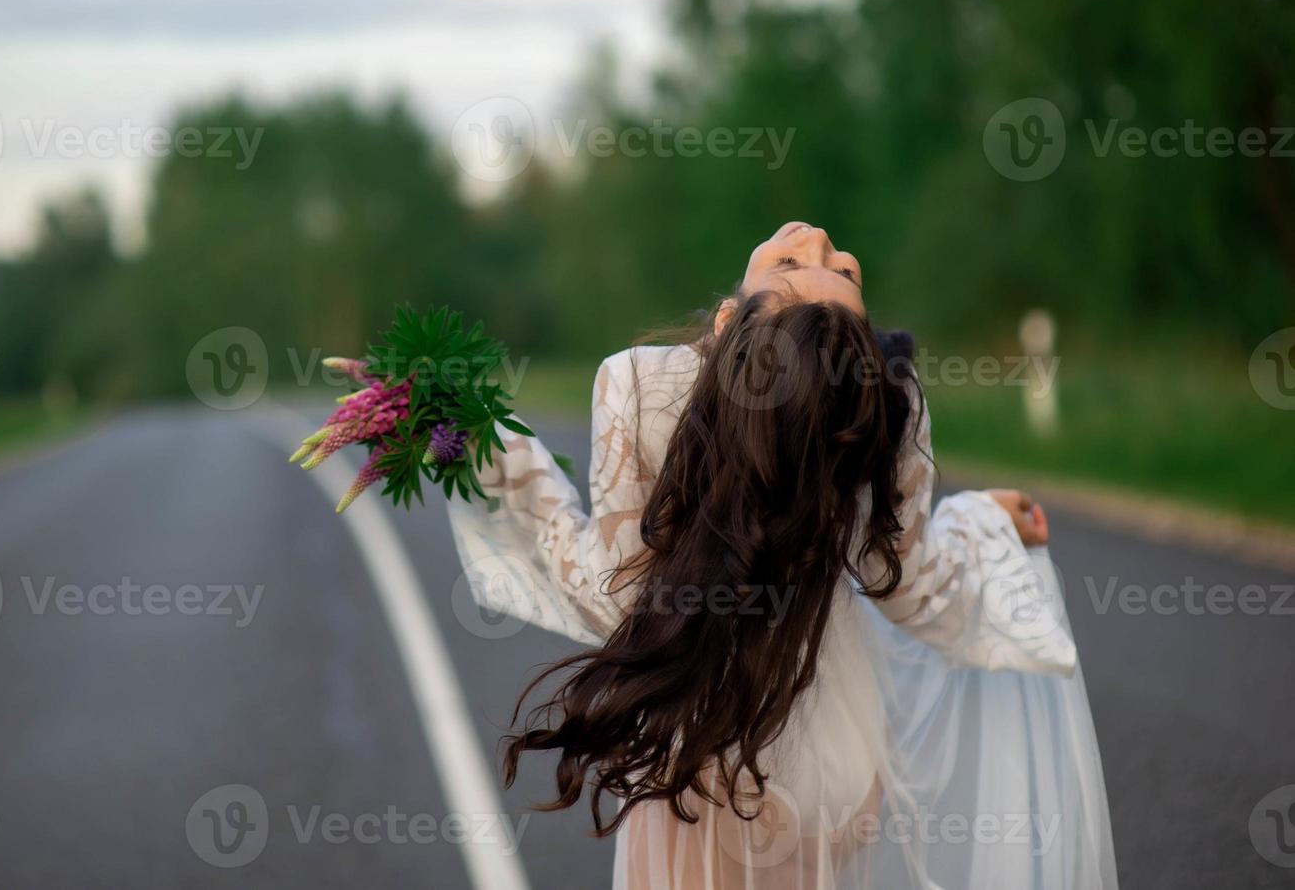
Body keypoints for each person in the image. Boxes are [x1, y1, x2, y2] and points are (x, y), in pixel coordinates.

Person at [447, 221, 1118, 889]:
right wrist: (981, 524)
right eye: (834, 268)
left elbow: (621, 599)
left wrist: (504, 458)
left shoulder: (640, 386)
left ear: (727, 319)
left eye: (803, 261)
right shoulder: (890, 397)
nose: (819, 237)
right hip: (839, 770)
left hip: (706, 763)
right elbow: (910, 583)